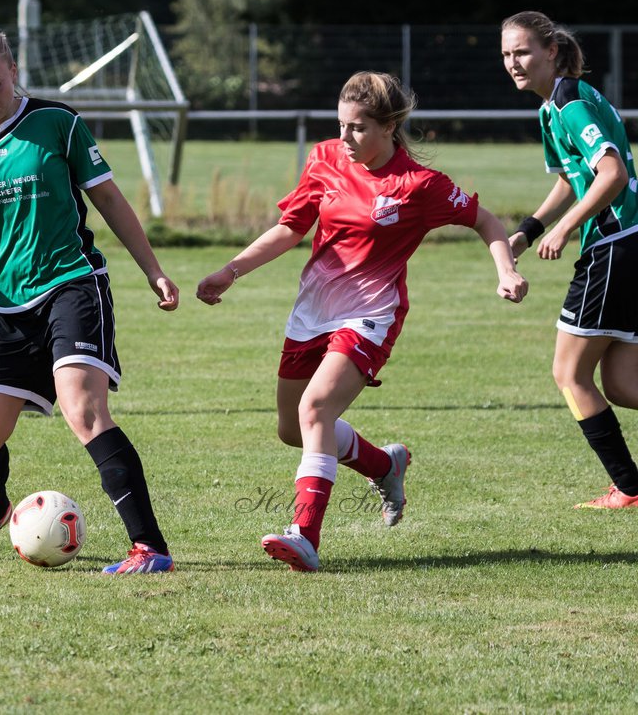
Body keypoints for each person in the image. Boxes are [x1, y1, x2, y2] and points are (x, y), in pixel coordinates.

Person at [196, 71, 528, 572]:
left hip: (371, 315)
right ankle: (383, 464)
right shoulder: (326, 158)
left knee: (316, 409)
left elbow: (486, 221)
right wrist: (231, 270)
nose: (345, 137)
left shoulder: (419, 186)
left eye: (358, 128)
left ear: (390, 126)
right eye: (341, 124)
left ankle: (304, 535)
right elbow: (291, 227)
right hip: (313, 312)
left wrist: (506, 269)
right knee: (294, 428)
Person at [0, 25, 180, 574]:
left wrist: (154, 270)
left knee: (85, 410)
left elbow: (110, 201)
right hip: (3, 306)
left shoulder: (57, 124)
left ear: (14, 73)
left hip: (71, 284)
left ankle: (150, 548)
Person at [500, 11, 638, 510]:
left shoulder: (569, 102)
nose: (514, 63)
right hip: (627, 243)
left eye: (523, 52)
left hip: (614, 244)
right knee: (622, 384)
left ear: (550, 51)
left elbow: (612, 173)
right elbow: (568, 179)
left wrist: (565, 228)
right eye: (507, 55)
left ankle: (628, 487)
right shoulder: (552, 107)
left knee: (570, 375)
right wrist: (527, 231)